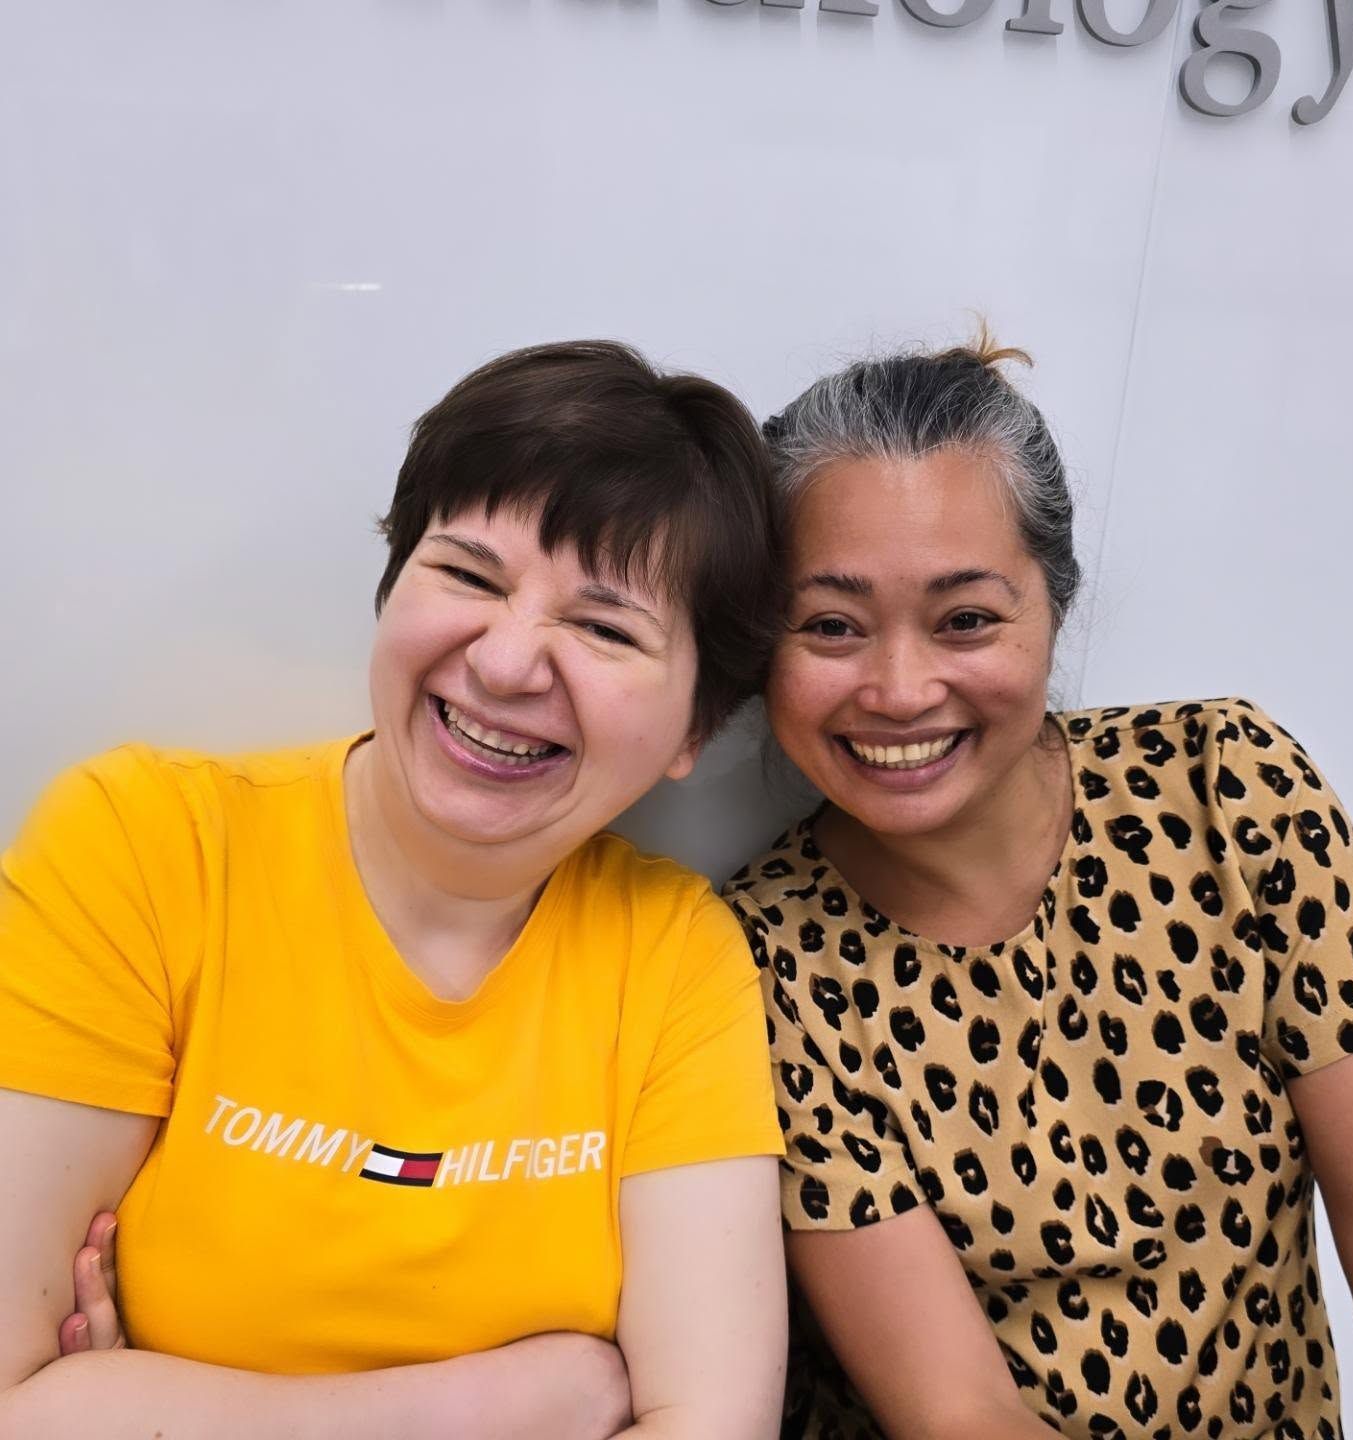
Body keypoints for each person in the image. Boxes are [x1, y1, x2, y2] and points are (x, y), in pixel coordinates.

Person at [0, 340, 788, 1438]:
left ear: (694, 729)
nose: (508, 664)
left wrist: (146, 1410)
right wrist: (511, 1404)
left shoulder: (676, 961)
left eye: (605, 628)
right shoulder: (144, 847)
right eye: (467, 574)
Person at [725, 337, 1353, 1440]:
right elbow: (964, 1416)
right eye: (830, 626)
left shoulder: (1228, 789)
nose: (902, 689)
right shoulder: (759, 960)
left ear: (1053, 611)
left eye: (965, 618)